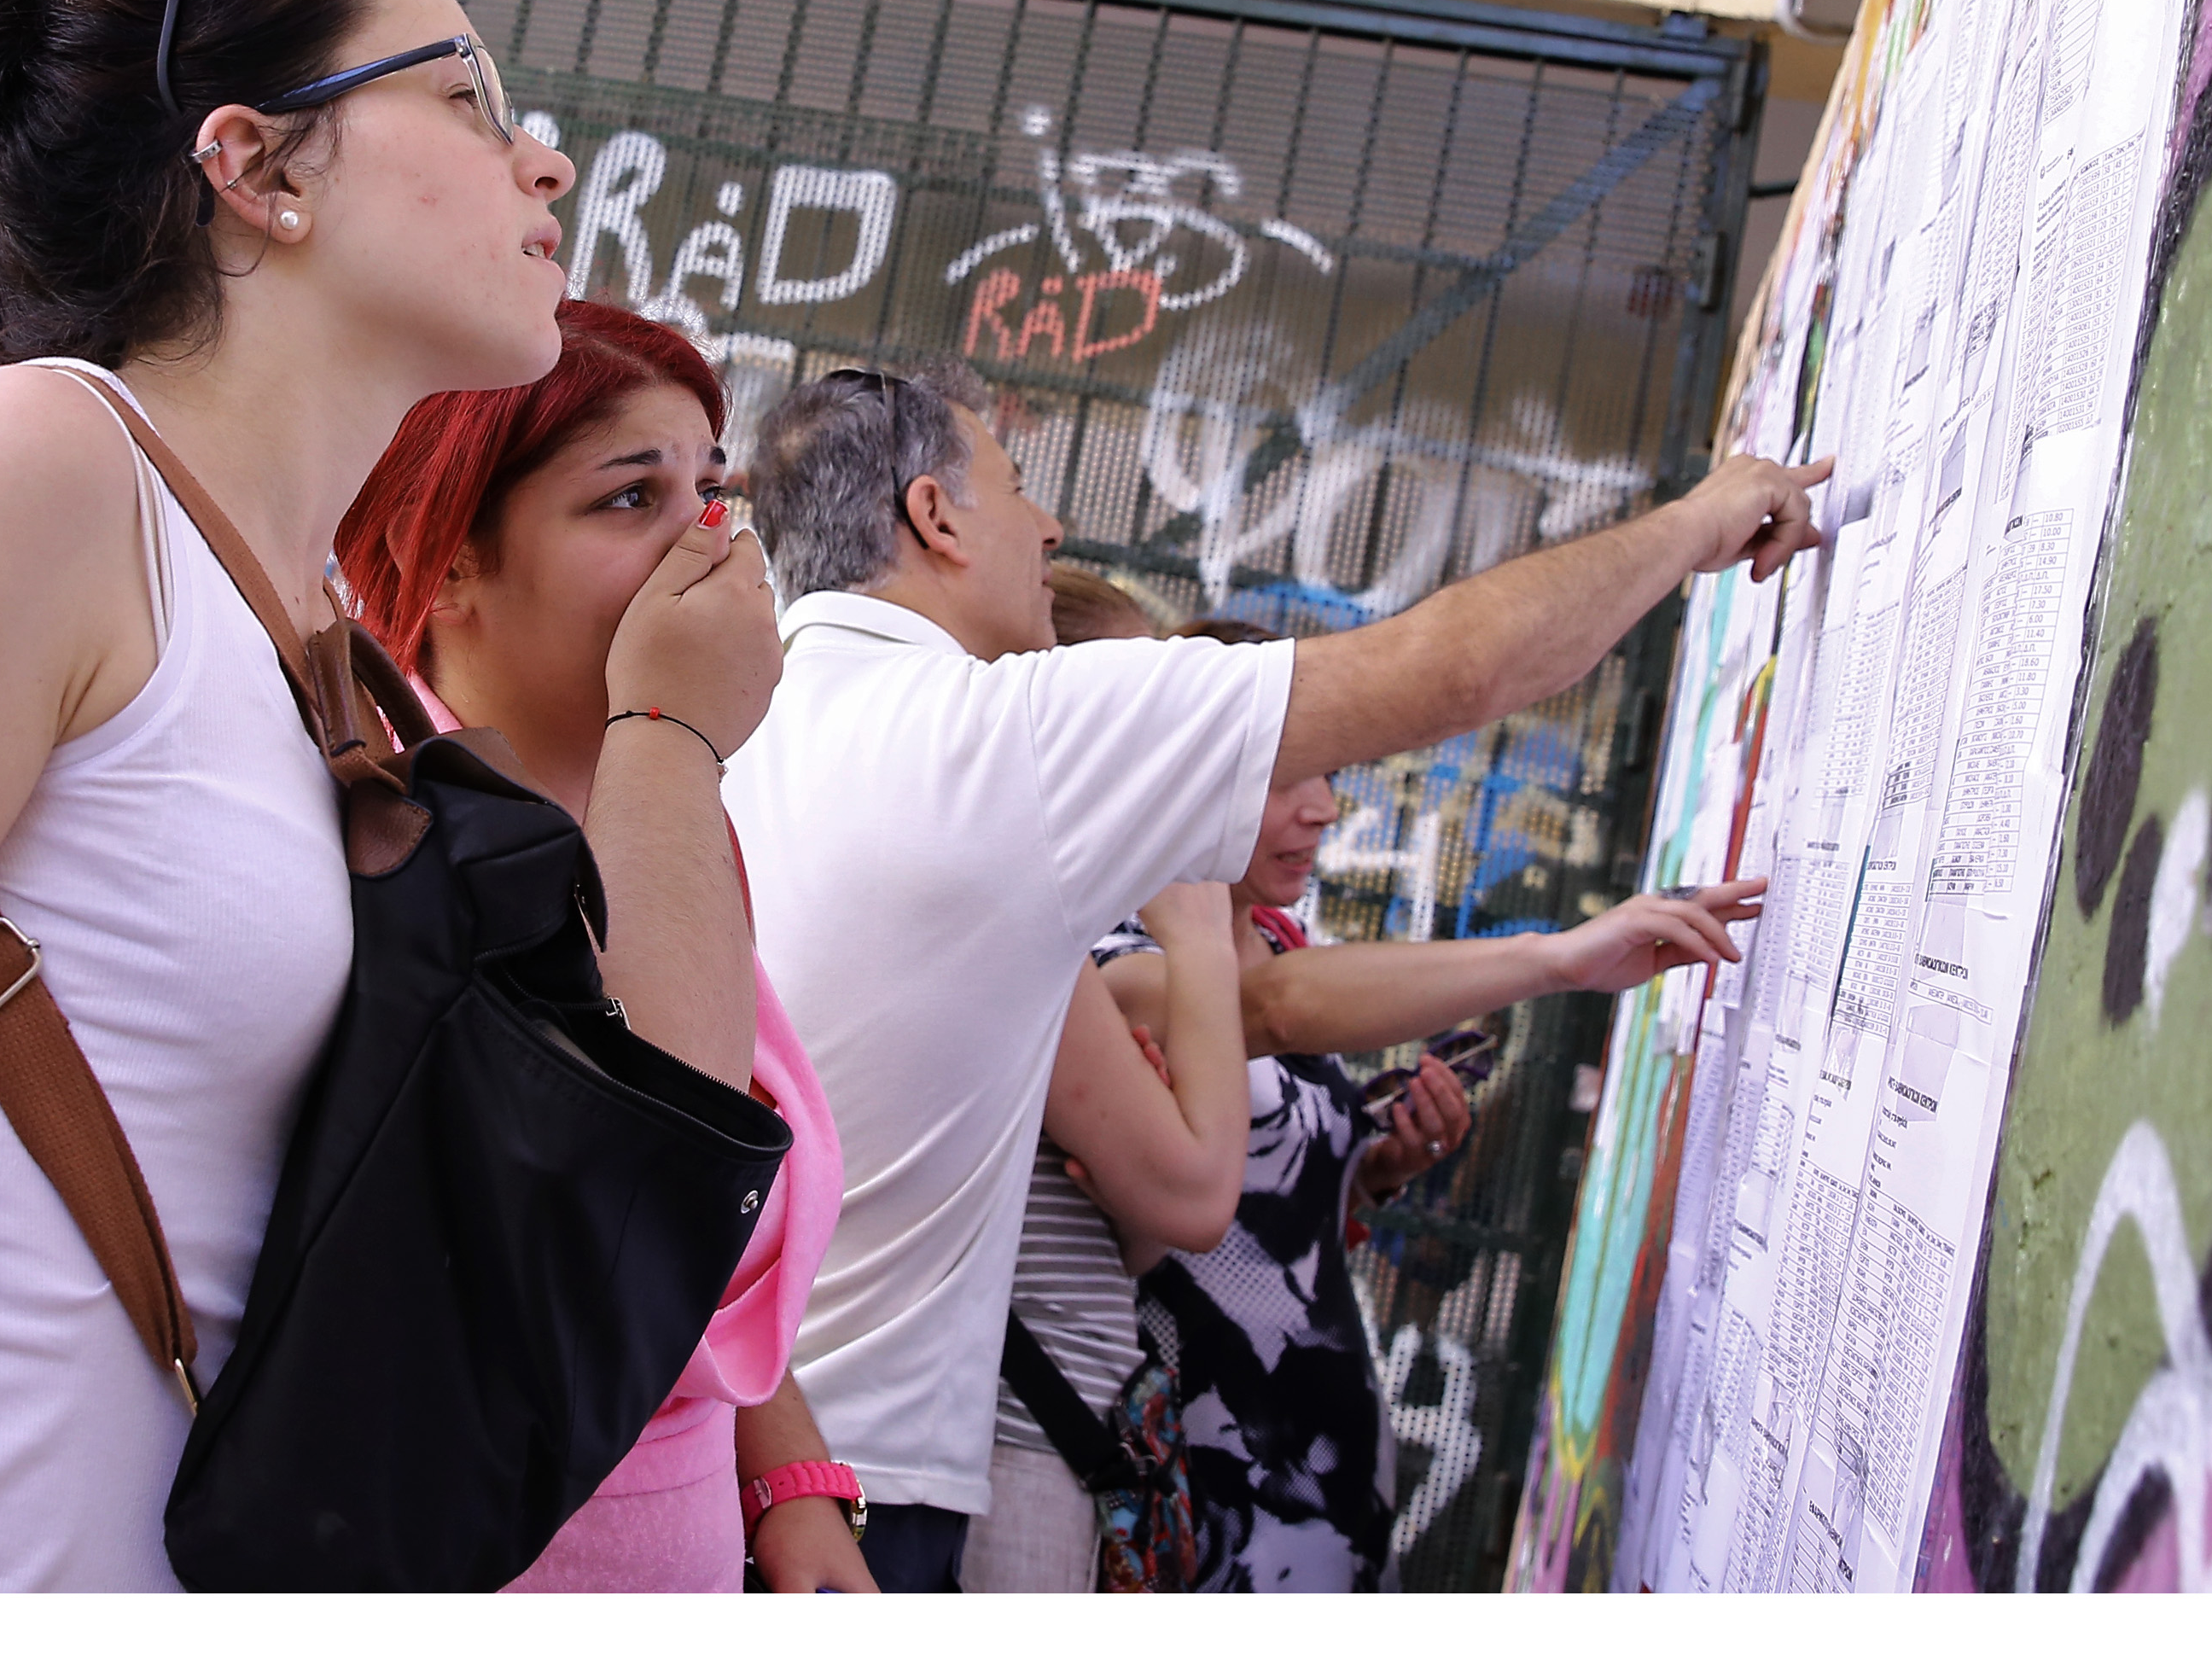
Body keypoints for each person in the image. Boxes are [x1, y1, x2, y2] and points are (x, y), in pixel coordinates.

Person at [0, 0, 775, 1590]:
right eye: (466, 95)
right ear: (259, 166)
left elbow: (634, 1164)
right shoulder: (34, 471)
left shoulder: (313, 638)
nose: (545, 164)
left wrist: (671, 729)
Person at [725, 362, 1824, 1590]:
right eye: (1019, 488)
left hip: (737, 1452)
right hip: (872, 1491)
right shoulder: (999, 731)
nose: (1049, 527)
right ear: (933, 517)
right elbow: (1453, 670)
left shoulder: (728, 729)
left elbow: (1266, 1011)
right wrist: (1695, 521)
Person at [335, 301, 868, 1594]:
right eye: (631, 496)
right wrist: (672, 737)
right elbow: (620, 1207)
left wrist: (790, 1483)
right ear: (444, 557)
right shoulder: (387, 841)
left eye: (712, 490)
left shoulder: (670, 814)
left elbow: (713, 1227)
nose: (705, 541)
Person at [1110, 622, 1764, 1589]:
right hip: (1213, 1521)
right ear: (1190, 770)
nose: (1326, 810)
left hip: (1323, 1509)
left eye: (1332, 777)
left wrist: (1378, 1168)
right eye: (1292, 776)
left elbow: (1256, 1216)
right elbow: (1267, 1015)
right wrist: (1560, 958)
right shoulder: (1113, 967)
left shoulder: (1283, 944)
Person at [964, 572, 1249, 1593]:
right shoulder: (1050, 915)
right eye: (1135, 698)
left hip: (1052, 1416)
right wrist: (1203, 934)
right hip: (1016, 1437)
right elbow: (1195, 1193)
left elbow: (1126, 1230)